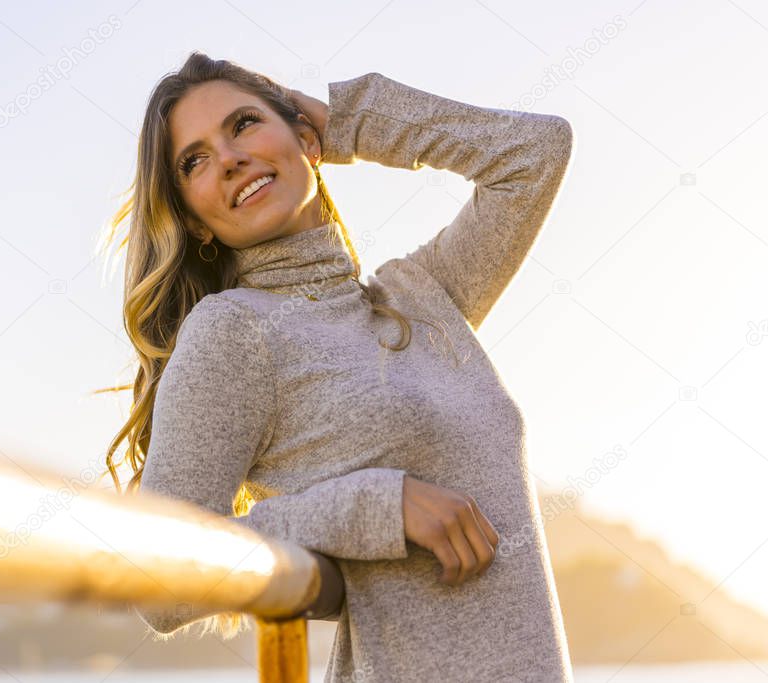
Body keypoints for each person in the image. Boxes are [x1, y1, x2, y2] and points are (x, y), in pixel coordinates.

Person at [98, 50, 575, 682]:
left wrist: (350, 120)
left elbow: (534, 152)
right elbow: (158, 582)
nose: (230, 158)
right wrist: (370, 506)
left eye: (243, 124)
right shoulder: (232, 332)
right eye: (195, 160)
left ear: (305, 139)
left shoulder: (421, 300)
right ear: (194, 220)